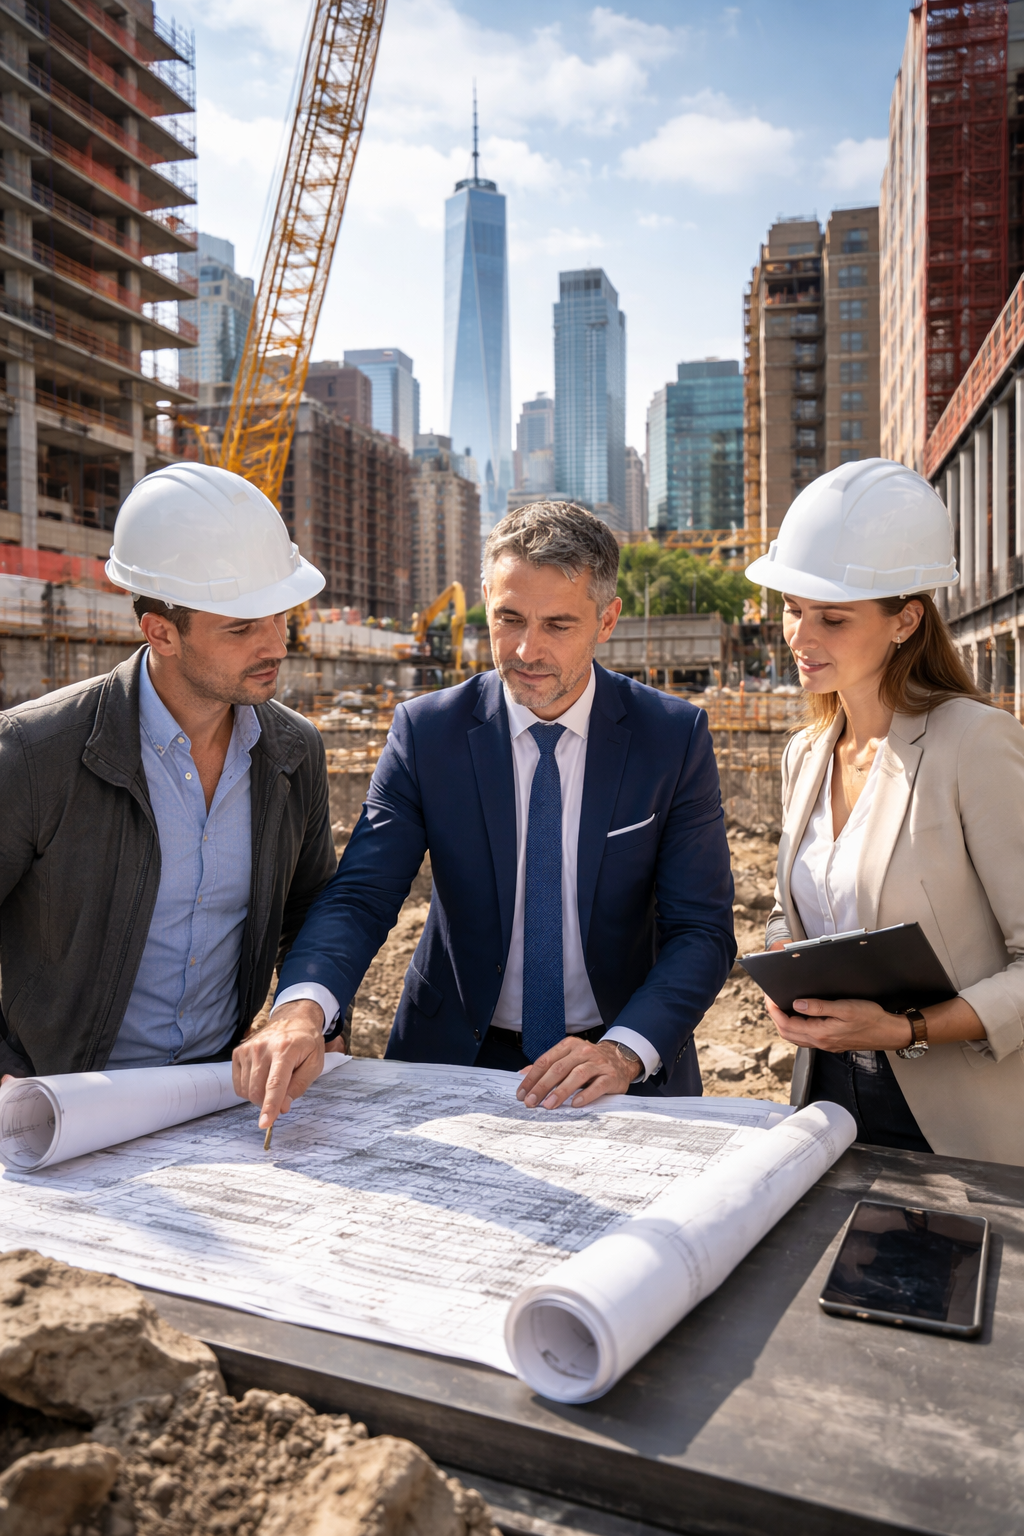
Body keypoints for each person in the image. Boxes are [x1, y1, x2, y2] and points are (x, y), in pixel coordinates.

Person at [237, 501, 735, 1131]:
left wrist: (624, 1051)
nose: (527, 650)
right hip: (451, 1055)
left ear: (606, 620)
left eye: (558, 624)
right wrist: (302, 1008)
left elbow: (702, 930)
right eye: (508, 618)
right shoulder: (427, 732)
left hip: (615, 1065)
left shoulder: (672, 737)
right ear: (484, 603)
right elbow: (362, 894)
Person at [0, 462, 338, 1097]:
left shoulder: (295, 752)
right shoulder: (33, 752)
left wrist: (308, 1008)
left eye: (279, 616)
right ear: (160, 632)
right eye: (241, 627)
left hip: (217, 1097)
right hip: (58, 1101)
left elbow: (313, 909)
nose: (276, 645)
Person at [745, 458, 1024, 1165]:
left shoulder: (975, 745)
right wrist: (784, 961)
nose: (800, 638)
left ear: (905, 621)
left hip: (956, 1127)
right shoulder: (805, 754)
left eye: (832, 618)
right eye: (792, 610)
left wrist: (905, 1030)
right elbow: (798, 910)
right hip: (827, 1106)